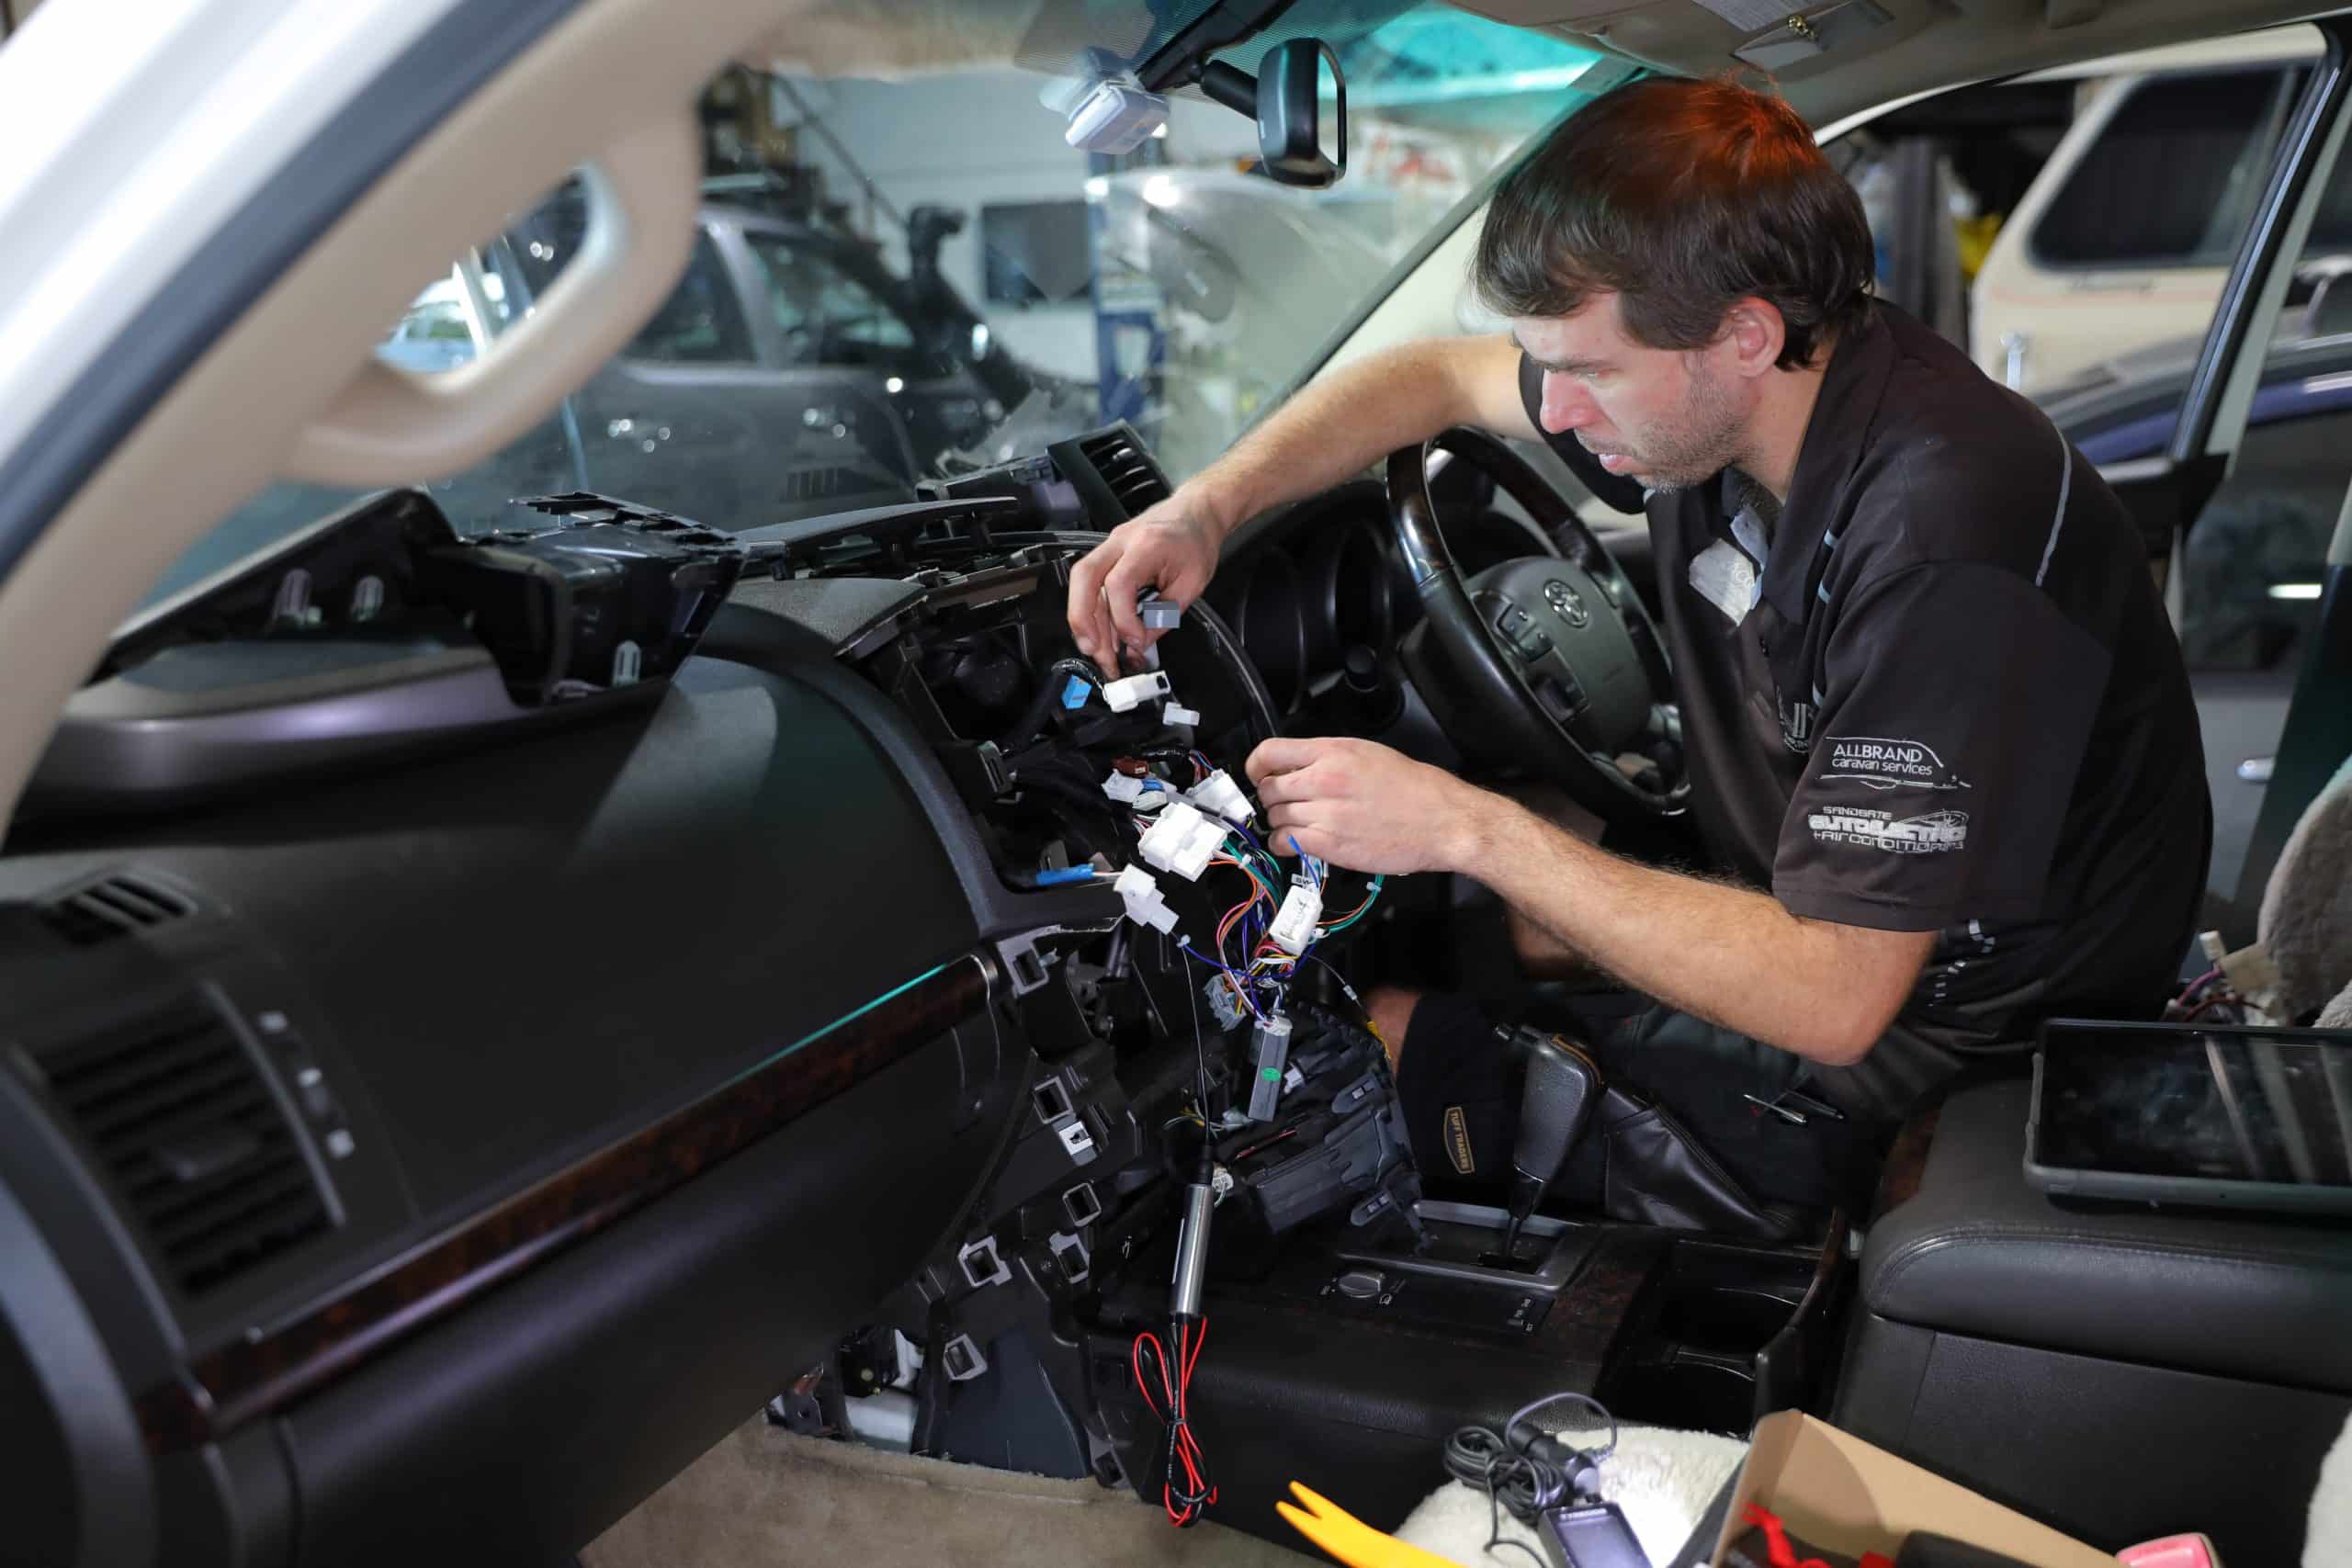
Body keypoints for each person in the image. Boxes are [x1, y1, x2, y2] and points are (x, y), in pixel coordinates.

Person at [1064, 76, 2211, 1213]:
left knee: (1370, 1048)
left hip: (1949, 1055)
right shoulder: (1763, 397)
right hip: (1842, 925)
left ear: (1746, 336)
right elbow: (1427, 378)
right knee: (1469, 923)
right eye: (1546, 364)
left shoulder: (1936, 541)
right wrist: (1205, 509)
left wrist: (1467, 826)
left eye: (1588, 371)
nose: (1555, 411)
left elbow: (1834, 1000)